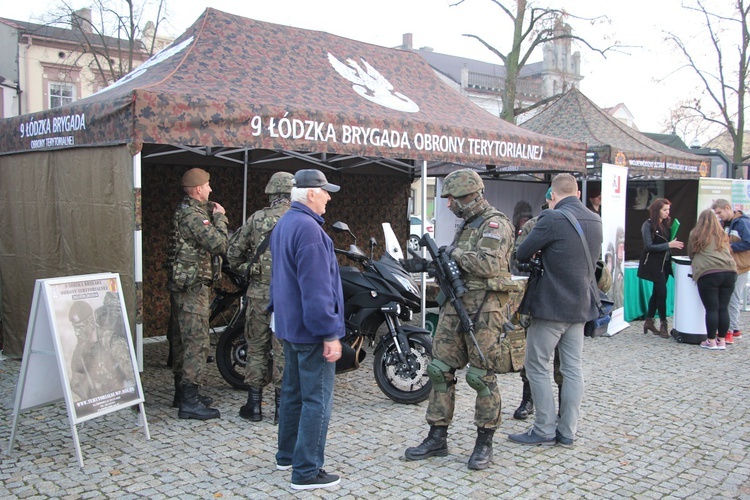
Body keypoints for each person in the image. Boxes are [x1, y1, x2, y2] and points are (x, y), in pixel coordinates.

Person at [403, 168, 515, 471]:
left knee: (481, 375)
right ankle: (437, 436)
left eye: (452, 198)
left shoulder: (495, 224)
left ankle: (484, 442)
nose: (449, 204)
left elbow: (490, 264)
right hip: (455, 305)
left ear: (470, 196)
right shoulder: (467, 224)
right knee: (439, 370)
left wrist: (453, 254)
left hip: (484, 310)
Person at [508, 173, 602, 447]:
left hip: (550, 307)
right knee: (573, 369)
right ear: (578, 194)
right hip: (580, 306)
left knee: (536, 366)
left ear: (552, 194)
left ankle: (543, 429)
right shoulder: (595, 219)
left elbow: (522, 253)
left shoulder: (551, 218)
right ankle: (567, 431)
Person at [269, 169, 344, 491]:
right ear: (311, 193)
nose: (329, 197)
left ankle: (287, 455)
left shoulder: (285, 223)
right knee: (317, 400)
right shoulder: (310, 230)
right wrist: (329, 333)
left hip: (290, 326)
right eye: (325, 191)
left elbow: (280, 279)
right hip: (311, 331)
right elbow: (316, 289)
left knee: (293, 395)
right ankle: (307, 470)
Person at [227, 171, 293, 423]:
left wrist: (250, 270)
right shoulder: (299, 220)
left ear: (272, 193)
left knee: (255, 348)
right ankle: (281, 410)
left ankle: (253, 406)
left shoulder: (256, 219)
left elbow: (233, 254)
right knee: (283, 352)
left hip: (258, 295)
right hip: (286, 297)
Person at [166, 167, 228, 420]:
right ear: (199, 188)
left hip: (185, 285)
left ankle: (182, 393)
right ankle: (189, 401)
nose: (211, 190)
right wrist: (221, 217)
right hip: (192, 288)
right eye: (208, 186)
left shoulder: (187, 212)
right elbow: (219, 244)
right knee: (196, 342)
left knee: (182, 339)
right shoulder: (193, 216)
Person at [688, 209, 737, 350]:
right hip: (729, 271)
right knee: (723, 308)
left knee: (711, 308)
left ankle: (710, 340)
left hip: (708, 273)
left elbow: (691, 253)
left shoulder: (696, 234)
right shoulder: (723, 234)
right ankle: (721, 340)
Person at [68, 299, 133, 402]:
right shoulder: (80, 349)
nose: (76, 333)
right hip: (97, 405)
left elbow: (131, 378)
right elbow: (75, 382)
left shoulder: (113, 342)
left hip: (118, 401)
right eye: (75, 328)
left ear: (92, 322)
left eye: (80, 327)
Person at [638, 198, 684, 338]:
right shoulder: (647, 225)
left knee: (657, 293)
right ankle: (663, 322)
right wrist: (669, 245)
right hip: (653, 264)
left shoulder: (666, 224)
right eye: (664, 210)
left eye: (668, 210)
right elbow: (649, 246)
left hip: (665, 263)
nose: (667, 213)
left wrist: (670, 245)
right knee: (662, 293)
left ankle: (649, 321)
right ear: (657, 210)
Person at [712, 199, 750, 343]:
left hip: (740, 266)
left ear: (728, 208)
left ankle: (730, 330)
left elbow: (748, 242)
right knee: (728, 298)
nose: (719, 216)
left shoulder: (742, 223)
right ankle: (733, 329)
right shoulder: (725, 224)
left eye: (720, 213)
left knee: (732, 299)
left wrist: (731, 247)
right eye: (717, 214)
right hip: (730, 266)